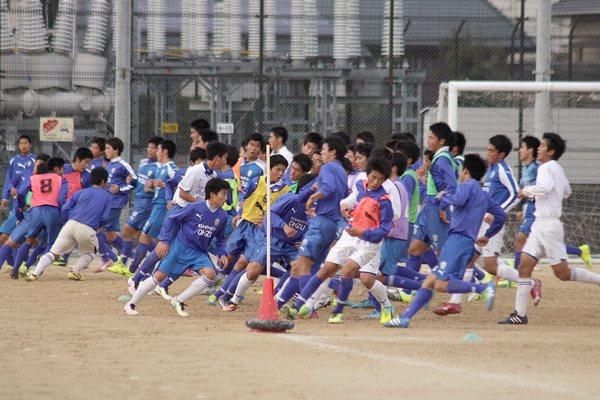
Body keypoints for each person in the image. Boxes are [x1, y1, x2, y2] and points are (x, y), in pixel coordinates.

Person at [385, 154, 505, 328]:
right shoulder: (482, 194)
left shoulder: (467, 185)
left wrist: (442, 198)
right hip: (462, 243)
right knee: (430, 281)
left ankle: (483, 288)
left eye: (460, 171)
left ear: (465, 171)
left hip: (457, 241)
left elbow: (457, 199)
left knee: (441, 285)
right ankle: (405, 318)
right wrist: (488, 234)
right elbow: (500, 215)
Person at [499, 133, 600, 325]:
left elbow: (544, 188)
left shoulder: (546, 167)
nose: (539, 148)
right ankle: (519, 314)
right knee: (524, 266)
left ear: (551, 151)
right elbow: (568, 192)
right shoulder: (557, 169)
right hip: (541, 224)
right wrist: (552, 196)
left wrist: (526, 191)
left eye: (543, 145)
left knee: (562, 274)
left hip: (548, 225)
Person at [288, 158, 395, 323]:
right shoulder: (360, 187)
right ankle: (301, 305)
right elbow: (349, 201)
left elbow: (385, 229)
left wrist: (363, 232)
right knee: (326, 270)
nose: (376, 182)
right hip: (349, 235)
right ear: (368, 174)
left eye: (381, 179)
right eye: (373, 177)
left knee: (352, 273)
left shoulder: (384, 201)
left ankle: (347, 310)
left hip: (369, 242)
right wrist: (344, 208)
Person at [434, 134, 521, 315]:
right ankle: (455, 302)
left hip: (492, 220)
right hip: (482, 221)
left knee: (491, 266)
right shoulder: (491, 170)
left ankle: (529, 281)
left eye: (491, 151)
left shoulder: (503, 170)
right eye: (487, 149)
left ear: (502, 154)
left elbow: (515, 193)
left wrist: (497, 211)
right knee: (469, 260)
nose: (487, 153)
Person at [124, 178, 230, 316]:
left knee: (210, 274)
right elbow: (171, 219)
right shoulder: (195, 207)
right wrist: (165, 241)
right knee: (159, 277)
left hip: (199, 253)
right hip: (180, 248)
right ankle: (131, 304)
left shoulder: (222, 216)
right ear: (212, 194)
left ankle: (178, 301)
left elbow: (220, 239)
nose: (226, 198)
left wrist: (222, 253)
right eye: (223, 194)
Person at [221, 175, 314, 312]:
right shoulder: (290, 199)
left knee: (300, 268)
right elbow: (270, 214)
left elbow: (313, 228)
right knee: (253, 270)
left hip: (292, 247)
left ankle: (279, 302)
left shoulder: (316, 210)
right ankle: (233, 300)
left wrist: (305, 240)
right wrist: (284, 226)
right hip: (273, 240)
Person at [277, 136, 348, 317]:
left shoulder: (328, 168)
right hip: (332, 223)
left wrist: (313, 198)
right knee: (300, 267)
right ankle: (277, 304)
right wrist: (311, 191)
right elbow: (339, 194)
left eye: (324, 149)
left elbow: (329, 189)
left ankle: (308, 307)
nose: (321, 153)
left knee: (303, 266)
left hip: (322, 221)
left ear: (333, 152)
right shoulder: (341, 171)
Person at [208, 155, 290, 307]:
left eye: (283, 171)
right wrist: (239, 214)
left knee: (244, 262)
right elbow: (244, 198)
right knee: (229, 257)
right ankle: (222, 290)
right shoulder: (257, 181)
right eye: (277, 169)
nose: (280, 173)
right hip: (245, 223)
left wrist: (267, 221)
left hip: (260, 231)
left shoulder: (285, 190)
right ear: (269, 169)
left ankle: (223, 294)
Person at [25, 168, 112, 281]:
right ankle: (74, 272)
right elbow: (105, 217)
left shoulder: (80, 192)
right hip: (87, 228)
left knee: (53, 253)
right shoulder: (107, 196)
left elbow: (66, 207)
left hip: (70, 224)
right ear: (103, 182)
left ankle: (34, 274)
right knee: (91, 253)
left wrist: (64, 221)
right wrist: (99, 226)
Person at [0, 158, 68, 276]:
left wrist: (20, 207)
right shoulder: (61, 179)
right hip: (52, 211)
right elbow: (61, 199)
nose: (64, 172)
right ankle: (35, 269)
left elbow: (20, 193)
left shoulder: (33, 178)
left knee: (28, 241)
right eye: (63, 169)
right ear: (56, 169)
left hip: (34, 212)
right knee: (50, 244)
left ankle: (15, 269)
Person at [405, 123, 457, 273]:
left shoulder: (442, 160)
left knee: (444, 253)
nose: (428, 140)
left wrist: (442, 206)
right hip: (429, 208)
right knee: (414, 249)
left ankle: (473, 283)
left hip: (436, 209)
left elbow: (452, 187)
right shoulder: (438, 159)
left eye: (431, 138)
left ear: (441, 141)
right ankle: (409, 292)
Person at [121, 140, 178, 277]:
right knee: (157, 242)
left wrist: (164, 186)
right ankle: (146, 273)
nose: (156, 152)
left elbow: (180, 185)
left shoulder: (172, 168)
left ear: (164, 151)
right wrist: (152, 185)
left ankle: (134, 272)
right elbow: (161, 185)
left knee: (145, 238)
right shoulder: (160, 168)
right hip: (156, 206)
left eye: (158, 149)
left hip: (162, 208)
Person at [112, 136, 161, 271]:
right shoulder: (143, 162)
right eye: (149, 147)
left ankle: (123, 262)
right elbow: (140, 182)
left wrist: (151, 188)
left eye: (153, 148)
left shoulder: (159, 167)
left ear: (160, 150)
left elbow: (159, 187)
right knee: (141, 236)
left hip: (146, 203)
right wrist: (133, 182)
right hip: (138, 200)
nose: (150, 150)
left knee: (127, 229)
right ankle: (161, 255)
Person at [95, 137, 137, 271]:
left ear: (116, 150)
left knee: (97, 230)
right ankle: (132, 256)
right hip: (106, 202)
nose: (105, 150)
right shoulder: (109, 164)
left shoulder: (123, 165)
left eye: (108, 148)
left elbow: (135, 182)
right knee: (110, 235)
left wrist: (120, 189)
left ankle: (111, 259)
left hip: (115, 203)